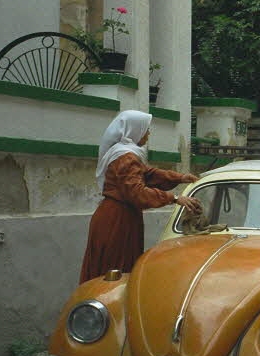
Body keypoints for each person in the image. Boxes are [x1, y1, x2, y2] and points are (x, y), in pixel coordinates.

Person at [79, 110, 201, 282]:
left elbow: (148, 174)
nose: (148, 133)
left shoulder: (125, 154)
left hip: (120, 215)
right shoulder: (126, 157)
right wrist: (174, 198)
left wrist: (180, 177)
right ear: (135, 130)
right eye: (146, 129)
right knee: (114, 271)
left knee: (117, 267)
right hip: (117, 219)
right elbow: (136, 192)